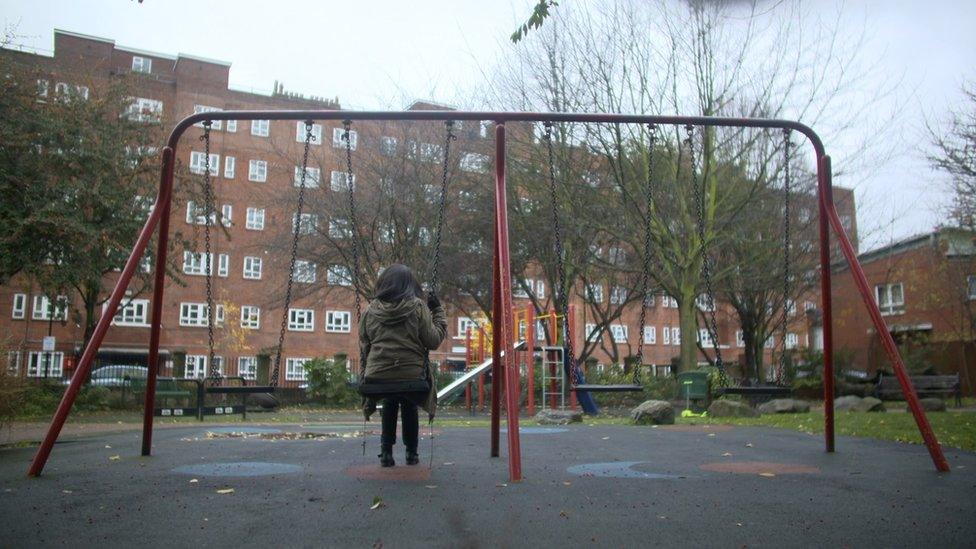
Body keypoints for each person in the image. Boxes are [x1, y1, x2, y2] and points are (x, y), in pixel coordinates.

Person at [358, 264, 447, 467]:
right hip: (412, 374)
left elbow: (364, 345)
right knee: (408, 403)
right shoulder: (418, 307)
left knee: (390, 400)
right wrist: (438, 311)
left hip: (378, 374)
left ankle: (386, 452)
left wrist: (365, 373)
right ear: (410, 285)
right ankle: (412, 453)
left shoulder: (370, 311)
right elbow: (433, 340)